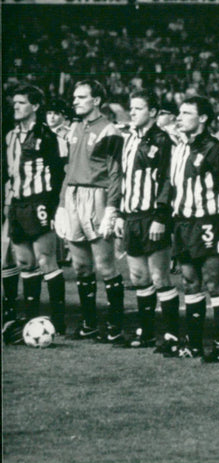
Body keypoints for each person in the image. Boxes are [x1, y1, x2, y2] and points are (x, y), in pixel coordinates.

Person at [168, 95, 219, 361]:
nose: (180, 117)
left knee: (214, 282)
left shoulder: (216, 149)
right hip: (183, 223)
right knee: (189, 282)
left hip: (208, 223)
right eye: (180, 112)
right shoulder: (180, 148)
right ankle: (194, 343)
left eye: (187, 113)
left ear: (203, 118)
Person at [54, 80, 125, 343]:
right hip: (72, 195)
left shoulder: (110, 130)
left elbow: (116, 173)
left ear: (96, 101)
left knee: (106, 266)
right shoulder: (74, 127)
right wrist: (62, 204)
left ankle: (115, 326)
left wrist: (112, 208)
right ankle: (89, 324)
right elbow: (70, 169)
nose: (75, 101)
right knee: (81, 266)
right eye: (75, 97)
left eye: (81, 97)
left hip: (97, 196)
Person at [110, 89, 180, 350]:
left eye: (138, 108)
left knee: (160, 276)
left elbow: (168, 180)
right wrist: (118, 213)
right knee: (139, 277)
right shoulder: (128, 140)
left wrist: (161, 216)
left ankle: (172, 334)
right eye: (132, 108)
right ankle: (146, 332)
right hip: (131, 217)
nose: (132, 112)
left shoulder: (162, 140)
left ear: (152, 112)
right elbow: (122, 180)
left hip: (152, 215)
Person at [2, 85, 66, 341]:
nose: (16, 106)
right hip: (17, 205)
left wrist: (53, 207)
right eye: (14, 103)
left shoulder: (47, 136)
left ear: (35, 106)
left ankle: (58, 322)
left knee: (45, 259)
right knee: (25, 263)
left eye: (21, 102)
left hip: (39, 202)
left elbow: (58, 174)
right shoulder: (10, 136)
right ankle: (30, 318)